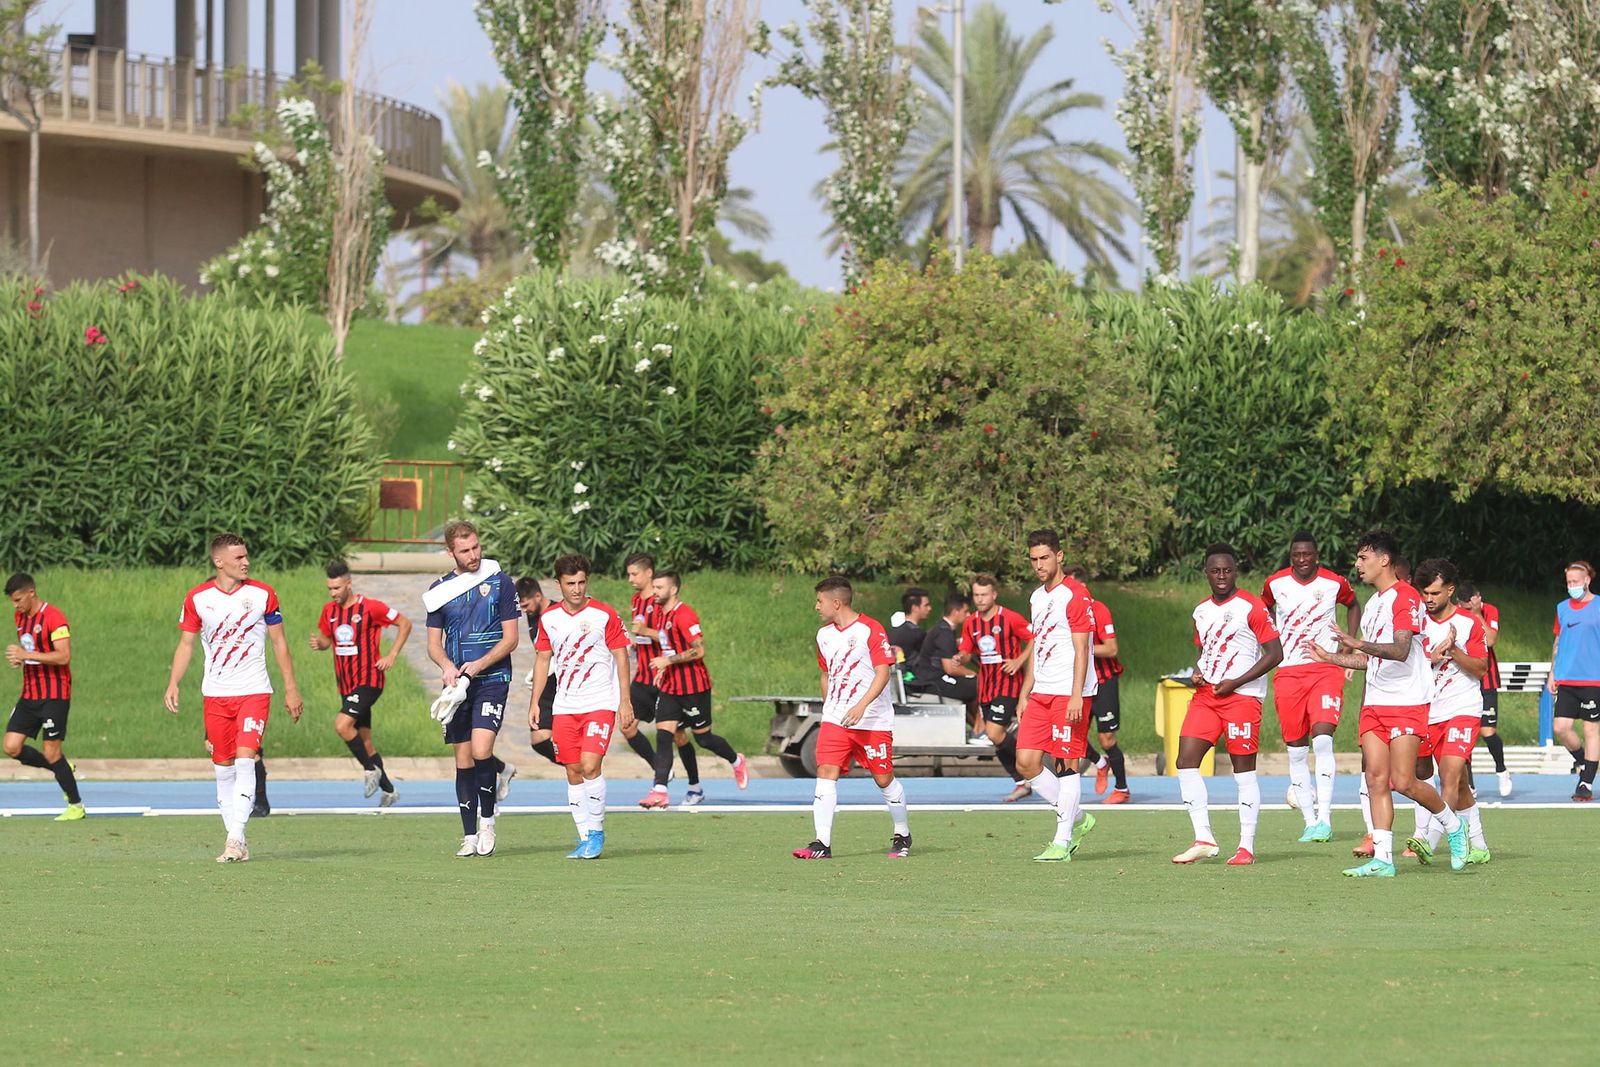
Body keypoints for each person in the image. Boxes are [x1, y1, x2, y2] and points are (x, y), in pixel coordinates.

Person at [1309, 530, 1469, 876]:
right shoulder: (1374, 604)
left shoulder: (1406, 596)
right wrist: (1330, 658)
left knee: (1405, 781)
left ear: (1384, 560)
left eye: (1363, 557)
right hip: (1375, 704)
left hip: (1407, 703)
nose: (1357, 565)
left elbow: (1398, 651)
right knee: (1375, 781)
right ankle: (1383, 859)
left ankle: (1454, 826)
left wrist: (1357, 643)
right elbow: (1371, 661)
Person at [164, 533, 304, 862]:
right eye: (239, 557)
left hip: (254, 691)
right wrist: (174, 682)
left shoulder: (262, 594)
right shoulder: (197, 598)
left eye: (246, 556)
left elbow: (280, 643)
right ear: (219, 562)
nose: (246, 562)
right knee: (222, 768)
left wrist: (291, 687)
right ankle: (236, 840)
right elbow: (186, 644)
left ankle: (235, 837)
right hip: (216, 694)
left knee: (246, 759)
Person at [1171, 544, 1282, 866]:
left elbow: (1275, 654)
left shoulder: (1252, 606)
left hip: (1242, 698)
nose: (1222, 576)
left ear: (1236, 572)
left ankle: (1245, 846)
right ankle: (1203, 838)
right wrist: (1198, 670)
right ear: (1206, 573)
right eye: (1215, 571)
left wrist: (1236, 682)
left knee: (1242, 771)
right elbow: (1205, 650)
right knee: (1186, 761)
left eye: (1228, 570)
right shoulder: (1201, 610)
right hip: (1207, 696)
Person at [793, 576, 912, 860]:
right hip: (836, 720)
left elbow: (883, 672)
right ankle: (821, 843)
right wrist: (829, 707)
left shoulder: (871, 629)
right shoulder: (823, 634)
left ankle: (902, 833)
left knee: (883, 778)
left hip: (873, 720)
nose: (816, 606)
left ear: (837, 602)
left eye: (820, 601)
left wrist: (861, 706)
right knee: (825, 772)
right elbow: (825, 673)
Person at [424, 520, 519, 858]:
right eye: (465, 550)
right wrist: (448, 668)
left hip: (492, 679)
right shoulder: (439, 591)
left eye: (476, 547)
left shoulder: (500, 582)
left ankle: (488, 823)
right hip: (459, 687)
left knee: (481, 751)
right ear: (451, 552)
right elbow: (434, 645)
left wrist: (480, 665)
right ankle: (468, 835)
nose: (474, 554)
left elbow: (511, 639)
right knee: (463, 760)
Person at [530, 554, 634, 859]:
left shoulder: (605, 614)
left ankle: (597, 833)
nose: (576, 589)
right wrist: (535, 703)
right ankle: (584, 835)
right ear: (558, 584)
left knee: (590, 765)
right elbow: (542, 660)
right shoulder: (549, 619)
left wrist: (624, 700)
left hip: (600, 703)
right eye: (570, 583)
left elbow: (621, 657)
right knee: (573, 771)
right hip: (564, 706)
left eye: (581, 582)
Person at [1260, 532, 1360, 843]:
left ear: (1316, 555)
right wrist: (1269, 643)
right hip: (1288, 672)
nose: (1302, 559)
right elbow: (1260, 612)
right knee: (1296, 750)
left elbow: (1353, 605)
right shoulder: (1275, 583)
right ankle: (1308, 821)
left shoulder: (1334, 582)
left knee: (1323, 740)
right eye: (1296, 555)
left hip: (1325, 669)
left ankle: (1325, 818)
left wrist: (1347, 645)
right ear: (1291, 556)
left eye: (1307, 554)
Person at [1015, 529, 1098, 862]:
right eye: (1034, 559)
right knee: (1026, 762)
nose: (1039, 565)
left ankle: (1062, 842)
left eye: (1044, 557)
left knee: (1066, 765)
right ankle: (1078, 817)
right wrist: (1026, 691)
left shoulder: (1076, 595)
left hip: (1069, 692)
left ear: (1060, 556)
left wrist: (1077, 695)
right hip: (1042, 692)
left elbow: (1082, 648)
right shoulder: (1037, 597)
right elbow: (1038, 645)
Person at [1406, 559, 1492, 866]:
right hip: (1428, 710)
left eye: (1434, 593)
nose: (1428, 599)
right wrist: (1431, 656)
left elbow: (1481, 669)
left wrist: (1454, 651)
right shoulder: (1416, 621)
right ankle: (1478, 844)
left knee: (1450, 772)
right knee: (1458, 783)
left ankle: (1432, 840)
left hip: (1463, 708)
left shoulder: (1469, 623)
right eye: (1424, 592)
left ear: (1450, 590)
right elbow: (1408, 663)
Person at [641, 570, 748, 808]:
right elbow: (668, 645)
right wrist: (662, 667)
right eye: (654, 587)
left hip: (694, 687)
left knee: (704, 739)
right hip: (671, 686)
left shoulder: (685, 615)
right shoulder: (660, 613)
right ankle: (664, 789)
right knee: (666, 735)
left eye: (659, 588)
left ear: (673, 589)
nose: (655, 592)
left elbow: (699, 650)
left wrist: (667, 662)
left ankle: (736, 760)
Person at [309, 560, 411, 806]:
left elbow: (404, 624)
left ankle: (369, 769)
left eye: (337, 588)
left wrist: (392, 655)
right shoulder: (329, 612)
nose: (333, 593)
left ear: (349, 584)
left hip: (369, 680)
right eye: (330, 589)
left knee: (342, 725)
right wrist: (320, 644)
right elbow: (327, 640)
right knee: (365, 741)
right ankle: (389, 790)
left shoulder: (371, 607)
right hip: (346, 685)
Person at [4, 573, 84, 820]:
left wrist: (27, 653)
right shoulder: (20, 617)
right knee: (11, 746)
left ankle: (76, 805)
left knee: (51, 752)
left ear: (31, 592)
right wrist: (20, 659)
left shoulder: (54, 618)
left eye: (18, 599)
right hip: (30, 693)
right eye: (12, 601)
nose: (16, 605)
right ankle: (61, 768)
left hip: (54, 695)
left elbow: (63, 656)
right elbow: (31, 652)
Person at [624, 553, 700, 805]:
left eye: (634, 573)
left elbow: (669, 636)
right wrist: (637, 643)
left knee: (677, 736)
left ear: (649, 573)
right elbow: (647, 635)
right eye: (628, 574)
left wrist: (646, 633)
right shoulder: (637, 600)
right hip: (643, 675)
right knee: (627, 725)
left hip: (665, 677)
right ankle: (661, 769)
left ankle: (694, 785)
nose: (630, 579)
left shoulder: (662, 602)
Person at [957, 574, 1034, 802]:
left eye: (984, 595)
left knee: (993, 731)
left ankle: (1032, 760)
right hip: (986, 687)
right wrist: (960, 658)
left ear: (994, 595)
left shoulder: (1009, 618)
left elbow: (1035, 637)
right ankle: (1022, 782)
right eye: (976, 595)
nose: (979, 599)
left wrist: (1019, 660)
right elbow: (968, 650)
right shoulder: (971, 622)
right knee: (995, 737)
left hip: (1008, 685)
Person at [1066, 566, 1130, 803]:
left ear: (1082, 586)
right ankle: (1099, 763)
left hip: (1103, 682)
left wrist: (1082, 648)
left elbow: (1112, 649)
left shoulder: (1098, 609)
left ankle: (1122, 788)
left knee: (1107, 739)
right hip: (1077, 684)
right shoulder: (1062, 610)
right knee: (1072, 736)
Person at [1549, 561, 1600, 802]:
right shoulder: (1562, 608)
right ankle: (1583, 762)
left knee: (1591, 729)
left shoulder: (1599, 606)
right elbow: (1558, 642)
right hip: (1567, 677)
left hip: (1594, 678)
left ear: (1587, 580)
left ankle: (1586, 782)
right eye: (1568, 582)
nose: (1572, 586)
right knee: (1561, 727)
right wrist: (1552, 673)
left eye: (1576, 582)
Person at [1457, 581, 1510, 797]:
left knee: (1487, 732)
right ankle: (1469, 784)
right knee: (1463, 732)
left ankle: (1502, 770)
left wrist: (1477, 614)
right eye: (1465, 608)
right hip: (1463, 679)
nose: (1467, 612)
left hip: (1486, 678)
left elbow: (1491, 640)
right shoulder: (1456, 614)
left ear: (1479, 597)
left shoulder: (1490, 611)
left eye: (1470, 607)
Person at [516, 576, 561, 766]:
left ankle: (582, 770)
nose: (525, 611)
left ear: (538, 595)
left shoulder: (557, 613)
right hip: (545, 678)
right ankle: (576, 767)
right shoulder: (532, 614)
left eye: (526, 606)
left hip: (563, 680)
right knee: (539, 739)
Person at [920, 592, 978, 731]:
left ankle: (978, 728)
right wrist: (973, 674)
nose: (968, 615)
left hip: (935, 677)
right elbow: (950, 669)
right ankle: (980, 729)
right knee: (980, 684)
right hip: (934, 681)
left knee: (972, 686)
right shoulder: (944, 632)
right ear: (955, 611)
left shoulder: (943, 629)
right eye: (965, 611)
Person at [889, 587, 935, 693]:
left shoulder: (895, 631)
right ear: (915, 608)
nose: (930, 608)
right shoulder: (916, 634)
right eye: (926, 605)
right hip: (914, 683)